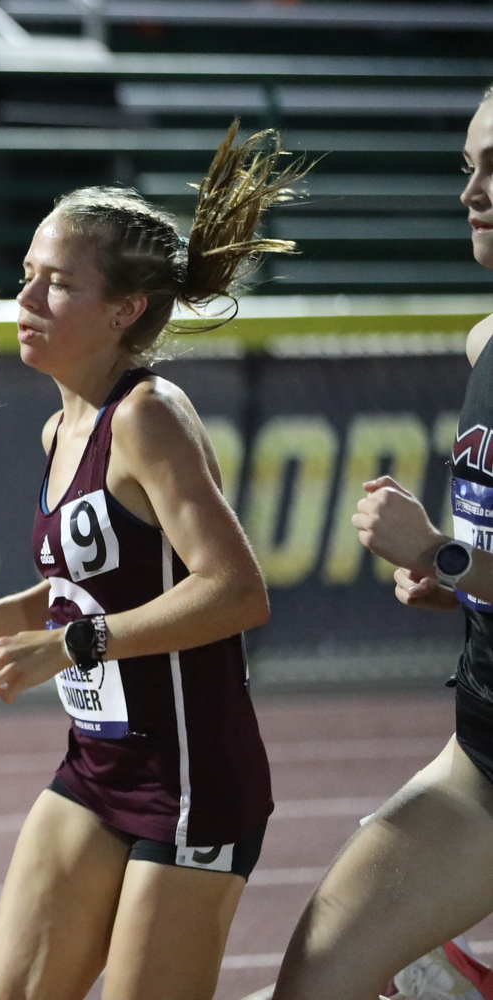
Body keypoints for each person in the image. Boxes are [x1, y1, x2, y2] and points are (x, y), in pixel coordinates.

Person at [0, 122, 305, 1000]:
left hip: (194, 778)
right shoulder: (62, 427)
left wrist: (73, 646)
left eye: (58, 285)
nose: (28, 299)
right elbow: (80, 584)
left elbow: (236, 591)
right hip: (97, 767)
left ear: (125, 310)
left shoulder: (148, 414)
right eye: (26, 276)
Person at [269, 86, 493, 1000]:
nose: (472, 192)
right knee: (318, 979)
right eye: (469, 167)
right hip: (485, 759)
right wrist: (457, 582)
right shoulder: (488, 343)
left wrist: (443, 553)